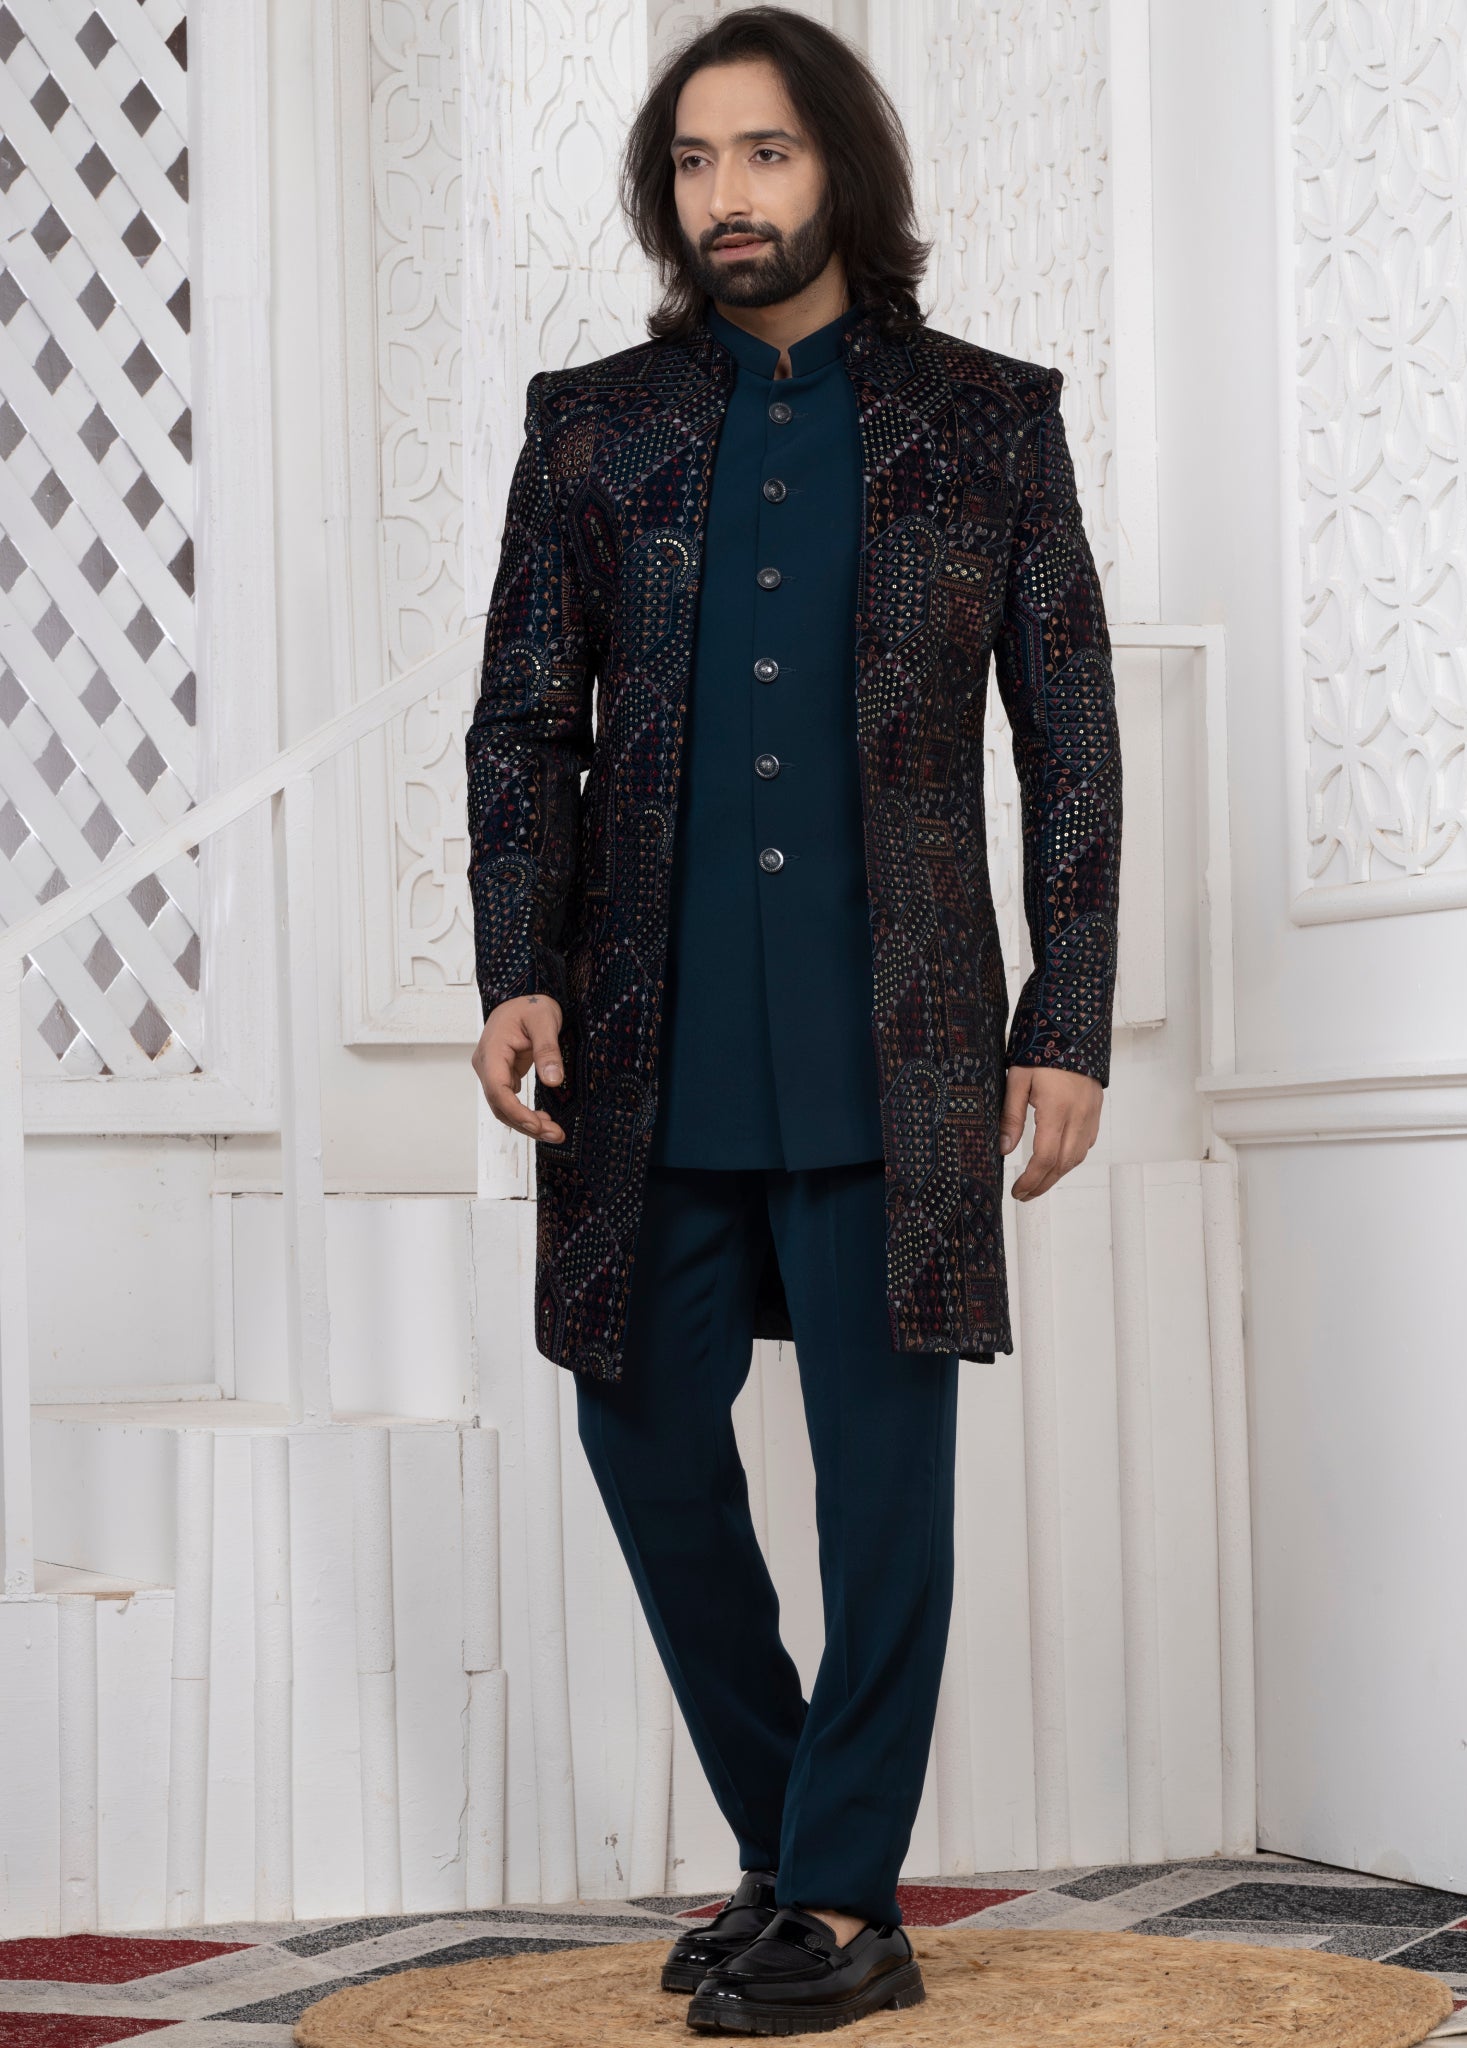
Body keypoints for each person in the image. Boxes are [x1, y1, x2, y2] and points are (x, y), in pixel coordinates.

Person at [465, 8, 1122, 2033]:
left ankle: (835, 1903)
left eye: (762, 153)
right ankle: (803, 1851)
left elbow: (1069, 740)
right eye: (691, 161)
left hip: (891, 1039)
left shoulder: (988, 422)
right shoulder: (591, 429)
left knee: (881, 1482)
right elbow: (523, 724)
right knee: (643, 1432)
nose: (725, 195)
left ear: (842, 166)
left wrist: (1068, 1010)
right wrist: (515, 962)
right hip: (645, 1041)